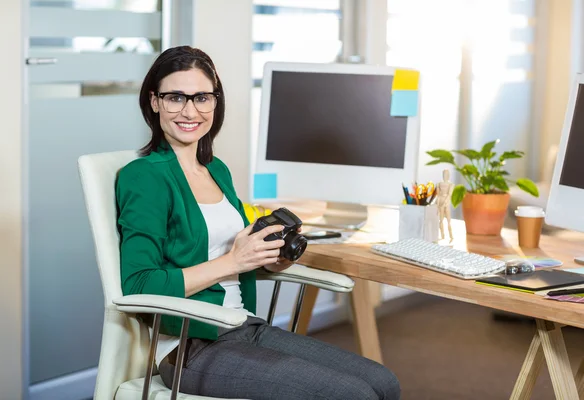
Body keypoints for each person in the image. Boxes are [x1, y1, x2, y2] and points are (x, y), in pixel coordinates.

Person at [116, 45, 401, 400]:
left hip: (245, 327)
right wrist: (233, 261)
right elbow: (139, 285)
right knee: (354, 394)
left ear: (215, 102)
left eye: (202, 97)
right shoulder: (144, 177)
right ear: (154, 102)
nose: (190, 111)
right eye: (176, 97)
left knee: (384, 382)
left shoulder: (215, 169)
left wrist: (270, 255)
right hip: (193, 347)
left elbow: (231, 256)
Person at [436, 169, 454, 241]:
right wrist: (437, 204)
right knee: (441, 220)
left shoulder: (451, 185)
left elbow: (449, 194)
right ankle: (442, 235)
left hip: (446, 203)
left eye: (446, 174)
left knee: (448, 220)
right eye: (444, 174)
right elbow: (438, 194)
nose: (445, 176)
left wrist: (445, 203)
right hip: (440, 202)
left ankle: (451, 235)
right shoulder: (439, 184)